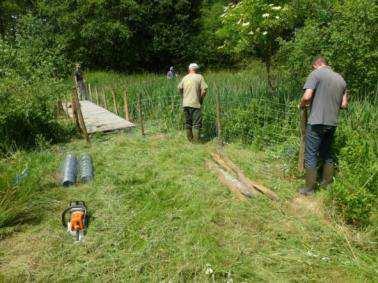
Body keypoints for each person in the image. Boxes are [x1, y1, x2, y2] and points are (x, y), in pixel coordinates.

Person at [299, 56, 348, 196]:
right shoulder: (341, 79)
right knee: (327, 153)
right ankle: (326, 184)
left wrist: (301, 105)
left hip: (316, 122)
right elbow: (344, 104)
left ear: (317, 64)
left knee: (311, 154)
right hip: (332, 123)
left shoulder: (316, 74)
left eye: (312, 67)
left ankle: (309, 189)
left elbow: (307, 97)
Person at [178, 63, 208, 142]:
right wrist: (201, 99)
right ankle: (196, 141)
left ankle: (190, 140)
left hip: (185, 103)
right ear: (196, 69)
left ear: (189, 69)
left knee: (188, 122)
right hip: (195, 103)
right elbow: (204, 90)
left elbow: (180, 88)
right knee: (197, 123)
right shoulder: (199, 77)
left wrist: (183, 97)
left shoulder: (185, 78)